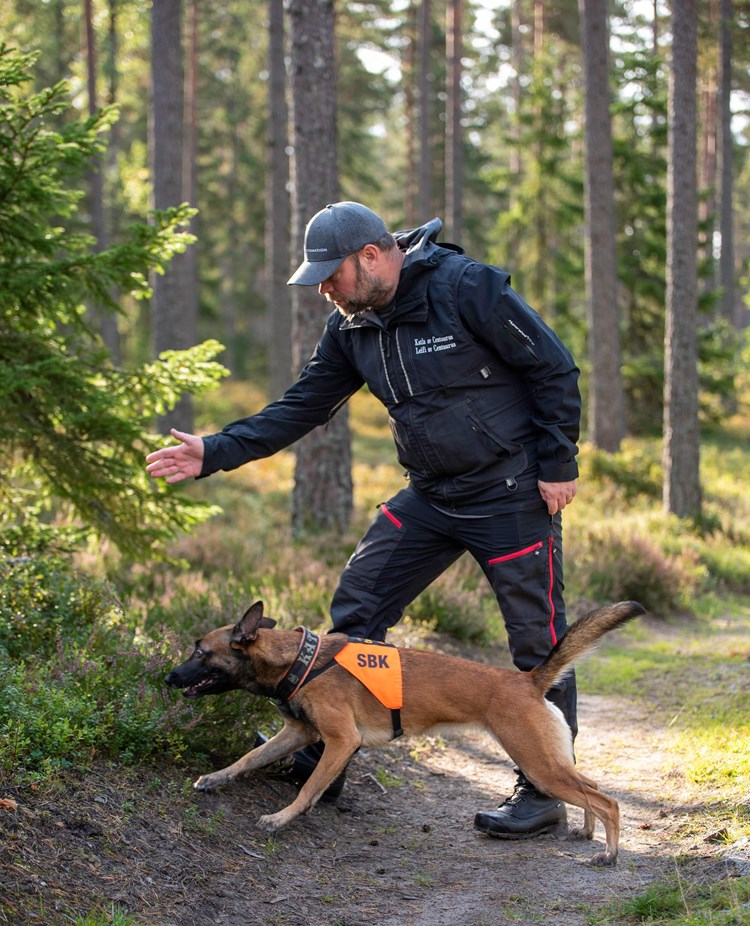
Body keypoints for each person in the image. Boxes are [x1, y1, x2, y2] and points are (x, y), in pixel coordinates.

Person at [146, 201, 581, 840]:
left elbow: (553, 367)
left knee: (538, 645)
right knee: (355, 608)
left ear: (371, 257)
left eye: (331, 274)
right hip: (431, 496)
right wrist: (217, 450)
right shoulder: (352, 326)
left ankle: (543, 791)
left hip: (511, 493)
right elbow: (300, 407)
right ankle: (327, 747)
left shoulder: (467, 289)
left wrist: (557, 460)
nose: (324, 288)